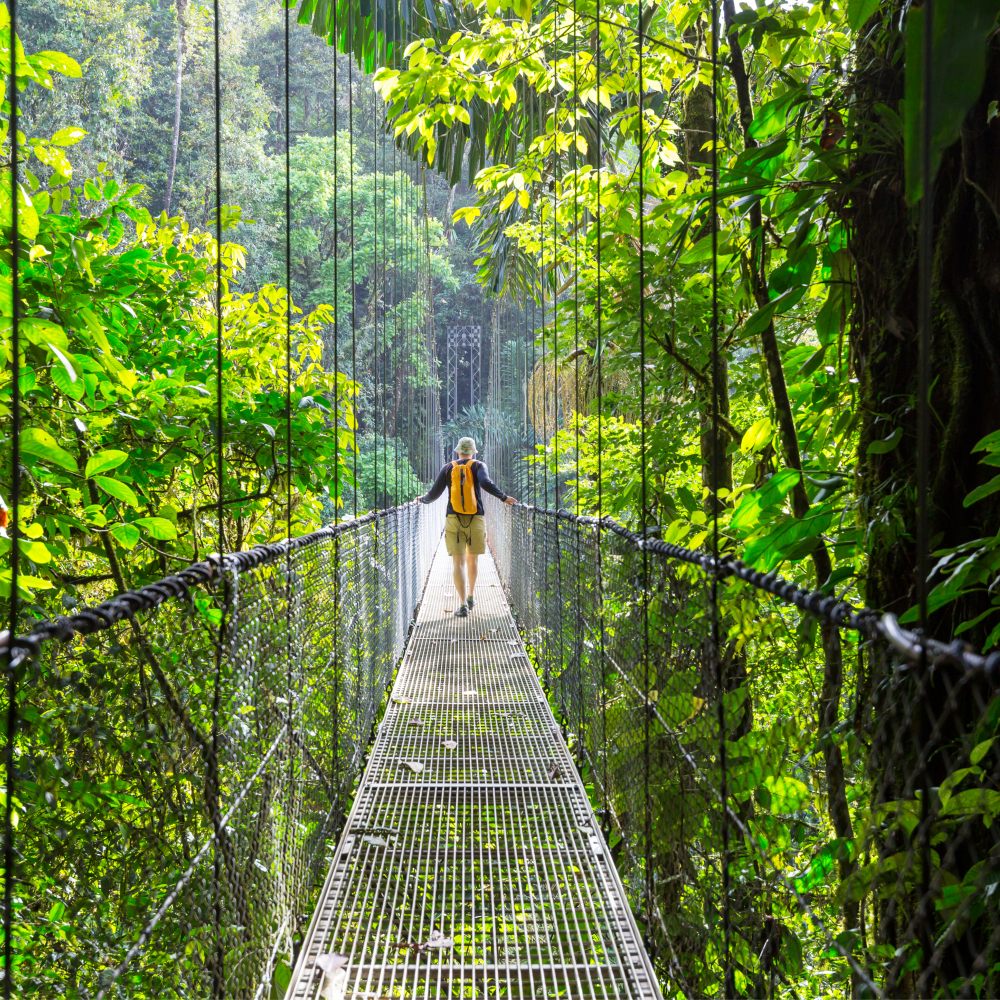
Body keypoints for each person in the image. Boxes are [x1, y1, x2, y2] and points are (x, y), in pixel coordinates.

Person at [418, 437, 517, 617]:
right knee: (473, 559)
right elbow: (486, 483)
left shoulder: (448, 468)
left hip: (453, 518)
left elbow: (434, 493)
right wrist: (504, 497)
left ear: (457, 451)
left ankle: (462, 604)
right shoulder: (478, 465)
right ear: (473, 452)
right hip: (476, 518)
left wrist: (422, 500)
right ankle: (471, 596)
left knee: (458, 562)